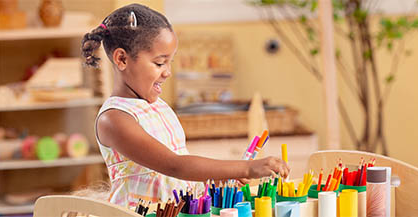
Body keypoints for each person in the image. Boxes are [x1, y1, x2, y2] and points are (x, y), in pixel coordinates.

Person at [81, 3, 289, 208]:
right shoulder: (114, 119)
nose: (168, 72)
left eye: (170, 62)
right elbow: (174, 165)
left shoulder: (159, 107)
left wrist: (216, 180)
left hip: (176, 211)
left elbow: (177, 174)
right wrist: (246, 168)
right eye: (160, 63)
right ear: (122, 59)